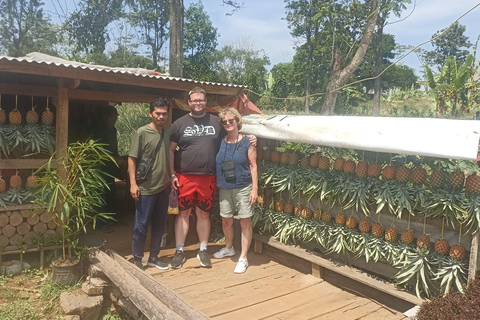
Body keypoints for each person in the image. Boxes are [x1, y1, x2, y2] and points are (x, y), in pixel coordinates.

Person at [169, 87, 220, 268]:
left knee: (203, 213)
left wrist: (250, 137)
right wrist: (172, 174)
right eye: (194, 100)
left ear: (206, 102)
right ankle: (180, 251)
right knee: (183, 213)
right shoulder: (179, 123)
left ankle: (203, 250)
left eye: (201, 100)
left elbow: (233, 132)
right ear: (189, 103)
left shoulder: (216, 121)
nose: (198, 103)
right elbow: (170, 150)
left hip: (208, 176)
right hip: (184, 176)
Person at [128, 97, 172, 270]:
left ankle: (154, 257)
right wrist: (133, 183)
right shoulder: (141, 132)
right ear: (150, 113)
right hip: (145, 188)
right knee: (141, 224)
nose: (161, 116)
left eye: (164, 114)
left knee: (160, 224)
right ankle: (137, 259)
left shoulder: (168, 133)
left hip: (164, 186)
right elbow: (132, 158)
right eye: (157, 113)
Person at [212, 108, 257, 274]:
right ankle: (229, 248)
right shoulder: (220, 140)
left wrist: (254, 188)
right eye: (224, 122)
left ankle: (243, 257)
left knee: (245, 221)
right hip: (224, 187)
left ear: (237, 121)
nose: (228, 124)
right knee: (226, 220)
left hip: (243, 186)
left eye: (231, 121)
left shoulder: (247, 141)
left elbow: (253, 165)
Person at [94, 105, 125, 233]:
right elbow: (97, 150)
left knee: (111, 193)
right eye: (111, 116)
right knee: (102, 195)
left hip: (110, 167)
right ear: (104, 117)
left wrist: (119, 159)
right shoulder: (99, 130)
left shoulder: (113, 130)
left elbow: (114, 149)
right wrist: (114, 158)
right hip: (100, 167)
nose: (113, 119)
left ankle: (112, 219)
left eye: (115, 116)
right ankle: (100, 224)